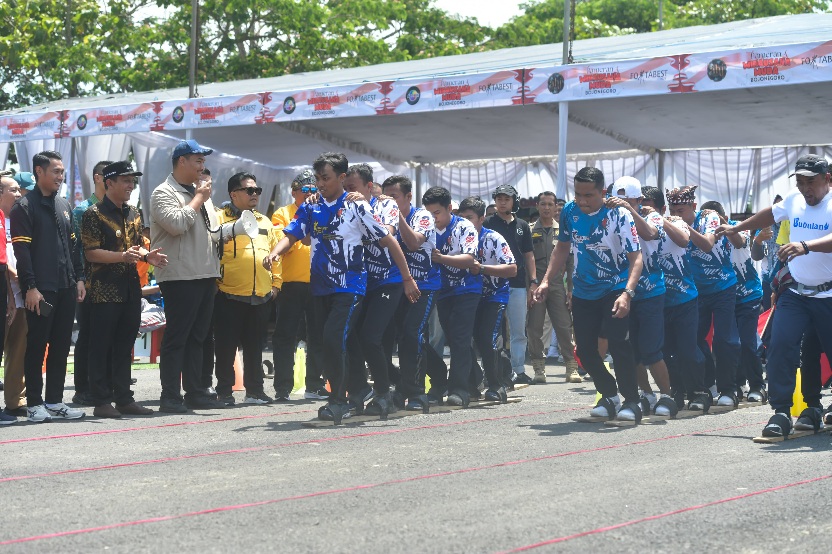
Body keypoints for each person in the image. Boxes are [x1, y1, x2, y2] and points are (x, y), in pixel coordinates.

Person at [264, 152, 407, 424]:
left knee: (334, 339)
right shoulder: (311, 206)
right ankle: (362, 389)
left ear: (342, 178)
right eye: (317, 178)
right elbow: (292, 234)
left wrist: (407, 278)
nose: (320, 184)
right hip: (320, 287)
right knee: (335, 341)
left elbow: (387, 239)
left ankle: (339, 400)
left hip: (350, 286)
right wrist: (274, 253)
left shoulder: (356, 206)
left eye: (325, 178)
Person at [716, 154, 832, 437]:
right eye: (800, 182)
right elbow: (771, 213)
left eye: (810, 182)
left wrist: (806, 246)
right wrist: (737, 227)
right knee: (780, 346)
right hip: (796, 293)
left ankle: (814, 407)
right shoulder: (794, 199)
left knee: (816, 351)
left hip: (828, 295)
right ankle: (781, 412)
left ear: (827, 179)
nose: (805, 188)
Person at [534, 167, 644, 422]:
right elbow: (562, 248)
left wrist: (627, 294)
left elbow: (636, 258)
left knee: (618, 343)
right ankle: (609, 395)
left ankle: (632, 400)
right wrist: (546, 281)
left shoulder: (619, 214)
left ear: (602, 192)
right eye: (578, 194)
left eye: (588, 195)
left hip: (615, 287)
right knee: (584, 350)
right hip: (584, 289)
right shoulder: (570, 212)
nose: (582, 201)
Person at [81, 161, 163, 418]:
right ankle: (101, 401)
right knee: (101, 346)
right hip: (103, 290)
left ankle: (124, 399)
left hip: (130, 288)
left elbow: (135, 246)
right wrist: (122, 257)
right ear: (109, 183)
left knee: (125, 345)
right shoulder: (93, 213)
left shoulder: (134, 213)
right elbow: (90, 252)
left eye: (132, 180)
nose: (131, 185)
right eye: (126, 180)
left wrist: (147, 256)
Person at [10, 150, 86, 423]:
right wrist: (30, 287)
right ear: (39, 172)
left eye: (62, 172)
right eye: (55, 171)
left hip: (66, 287)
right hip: (41, 290)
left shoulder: (64, 205)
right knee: (37, 346)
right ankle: (34, 404)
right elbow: (22, 254)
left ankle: (54, 401)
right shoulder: (23, 207)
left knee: (62, 346)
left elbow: (74, 247)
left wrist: (79, 278)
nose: (60, 176)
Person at [150, 139, 225, 412]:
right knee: (177, 337)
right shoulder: (163, 192)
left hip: (205, 273)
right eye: (198, 161)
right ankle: (170, 395)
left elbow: (211, 232)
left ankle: (195, 391)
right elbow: (177, 224)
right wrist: (199, 198)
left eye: (204, 161)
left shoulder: (200, 194)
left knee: (198, 337)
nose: (202, 166)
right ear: (181, 161)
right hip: (180, 275)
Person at [341, 164, 419, 417]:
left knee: (370, 337)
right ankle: (361, 388)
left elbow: (388, 235)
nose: (348, 192)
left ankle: (384, 393)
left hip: (388, 281)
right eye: (345, 188)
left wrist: (363, 208)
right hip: (359, 282)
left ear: (369, 186)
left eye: (352, 187)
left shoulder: (386, 205)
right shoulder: (344, 206)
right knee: (347, 335)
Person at [606, 178, 677, 417]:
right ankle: (646, 394)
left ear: (638, 200)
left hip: (650, 292)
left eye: (628, 200)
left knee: (651, 349)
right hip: (621, 291)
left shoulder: (652, 216)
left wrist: (629, 210)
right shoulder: (610, 218)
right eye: (618, 200)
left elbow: (650, 234)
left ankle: (666, 395)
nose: (621, 203)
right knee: (630, 350)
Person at [667, 185, 742, 408]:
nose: (676, 215)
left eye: (681, 211)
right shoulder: (671, 223)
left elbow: (708, 245)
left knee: (723, 339)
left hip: (722, 287)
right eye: (673, 210)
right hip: (695, 291)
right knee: (693, 341)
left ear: (693, 206)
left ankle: (729, 388)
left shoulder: (708, 217)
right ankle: (707, 385)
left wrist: (685, 228)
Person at [213, 172, 282, 406]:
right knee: (225, 347)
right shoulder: (219, 218)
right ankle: (224, 392)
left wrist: (276, 285)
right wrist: (215, 285)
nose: (255, 194)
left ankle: (255, 391)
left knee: (255, 347)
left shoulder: (264, 221)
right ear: (234, 194)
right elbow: (210, 253)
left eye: (257, 191)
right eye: (249, 190)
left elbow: (276, 255)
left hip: (260, 294)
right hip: (228, 294)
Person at [641, 187, 710, 412]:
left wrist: (659, 218)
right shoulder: (637, 226)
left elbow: (683, 240)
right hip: (658, 300)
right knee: (666, 351)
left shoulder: (675, 222)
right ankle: (676, 391)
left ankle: (699, 391)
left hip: (684, 299)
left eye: (649, 207)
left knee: (688, 350)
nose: (644, 211)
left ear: (661, 209)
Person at [380, 175, 444, 411]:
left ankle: (416, 392)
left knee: (411, 333)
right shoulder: (382, 215)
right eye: (386, 197)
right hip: (396, 285)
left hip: (424, 286)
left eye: (394, 197)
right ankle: (410, 382)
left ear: (408, 197)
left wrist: (396, 215)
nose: (389, 201)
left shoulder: (422, 216)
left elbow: (414, 243)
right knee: (396, 337)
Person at [701, 200, 766, 402]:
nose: (711, 224)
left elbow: (740, 242)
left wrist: (723, 224)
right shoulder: (706, 235)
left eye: (715, 220)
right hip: (723, 297)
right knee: (727, 343)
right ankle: (735, 384)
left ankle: (757, 386)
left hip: (748, 295)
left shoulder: (738, 228)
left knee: (747, 342)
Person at [271, 170, 328, 401]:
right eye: (305, 190)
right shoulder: (282, 213)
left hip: (318, 284)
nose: (310, 193)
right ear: (294, 192)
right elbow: (281, 241)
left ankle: (315, 384)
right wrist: (301, 229)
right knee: (285, 336)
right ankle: (282, 388)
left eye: (314, 189)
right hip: (291, 284)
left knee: (318, 336)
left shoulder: (324, 210)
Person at [423, 186, 479, 407]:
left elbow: (469, 260)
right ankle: (470, 378)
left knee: (459, 338)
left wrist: (441, 258)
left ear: (449, 208)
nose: (433, 218)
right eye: (429, 213)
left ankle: (459, 389)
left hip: (466, 289)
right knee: (437, 338)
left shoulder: (464, 227)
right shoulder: (425, 227)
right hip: (440, 290)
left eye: (437, 213)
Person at [457, 196, 517, 402]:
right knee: (462, 339)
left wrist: (481, 268)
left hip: (493, 296)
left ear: (481, 218)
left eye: (469, 218)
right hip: (466, 297)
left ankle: (497, 385)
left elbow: (512, 269)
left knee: (487, 339)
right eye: (461, 218)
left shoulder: (493, 238)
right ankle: (473, 383)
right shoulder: (456, 236)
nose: (465, 222)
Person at [70, 159, 113, 406]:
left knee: (109, 336)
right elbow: (78, 249)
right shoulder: (83, 210)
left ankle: (105, 384)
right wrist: (81, 279)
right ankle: (82, 388)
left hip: (113, 283)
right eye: (109, 177)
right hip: (88, 282)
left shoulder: (118, 209)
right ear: (98, 178)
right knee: (87, 335)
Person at [484, 185, 535, 384]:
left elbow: (529, 255)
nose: (502, 202)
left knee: (518, 330)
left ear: (514, 201)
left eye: (506, 199)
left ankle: (518, 369)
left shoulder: (522, 225)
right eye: (499, 199)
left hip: (518, 284)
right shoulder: (487, 223)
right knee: (492, 331)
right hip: (492, 285)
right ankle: (492, 370)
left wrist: (533, 281)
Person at [526, 191, 579, 384]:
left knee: (564, 326)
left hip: (557, 285)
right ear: (537, 206)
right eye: (543, 204)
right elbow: (525, 260)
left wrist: (571, 289)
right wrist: (528, 288)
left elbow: (571, 262)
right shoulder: (529, 230)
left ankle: (571, 367)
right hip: (536, 285)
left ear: (556, 207)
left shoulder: (563, 231)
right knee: (534, 328)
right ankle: (539, 368)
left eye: (550, 204)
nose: (547, 208)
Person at [1, 175, 26, 419]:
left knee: (19, 350)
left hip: (21, 295)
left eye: (20, 190)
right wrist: (16, 275)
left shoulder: (20, 220)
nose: (19, 194)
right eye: (14, 190)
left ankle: (15, 401)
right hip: (6, 291)